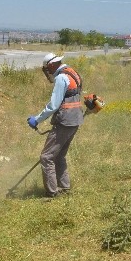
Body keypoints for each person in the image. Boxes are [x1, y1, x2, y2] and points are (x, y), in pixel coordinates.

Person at [27, 53, 84, 197]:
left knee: (47, 157)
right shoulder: (73, 73)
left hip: (65, 121)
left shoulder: (61, 78)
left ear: (52, 65)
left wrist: (37, 120)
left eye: (48, 68)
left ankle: (52, 193)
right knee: (59, 156)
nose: (48, 72)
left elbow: (53, 105)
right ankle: (65, 188)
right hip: (75, 120)